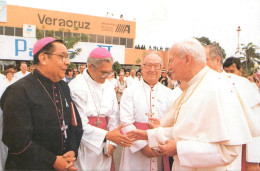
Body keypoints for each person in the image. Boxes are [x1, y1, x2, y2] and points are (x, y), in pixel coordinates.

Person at [127, 38, 260, 170]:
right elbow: (186, 131)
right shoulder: (193, 86)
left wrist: (179, 148)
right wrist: (150, 135)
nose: (169, 67)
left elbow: (228, 151)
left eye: (171, 61)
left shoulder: (218, 88)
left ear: (187, 59)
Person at [0, 37, 83, 170]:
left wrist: (72, 150)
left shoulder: (64, 87)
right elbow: (16, 139)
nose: (67, 63)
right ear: (43, 58)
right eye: (62, 57)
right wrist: (52, 160)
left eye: (68, 57)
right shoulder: (19, 90)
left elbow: (75, 124)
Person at [69, 47, 132, 171]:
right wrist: (107, 136)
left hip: (105, 146)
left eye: (109, 73)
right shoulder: (76, 86)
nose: (106, 76)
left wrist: (112, 143)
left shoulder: (108, 86)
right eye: (103, 72)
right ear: (90, 66)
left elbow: (114, 116)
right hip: (84, 146)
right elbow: (79, 124)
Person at [205, 44, 260, 170]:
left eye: (205, 60)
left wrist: (253, 161)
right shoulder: (198, 85)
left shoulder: (241, 83)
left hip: (234, 158)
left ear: (217, 59)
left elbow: (254, 126)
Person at [119, 52, 177, 171]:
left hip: (160, 146)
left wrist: (162, 144)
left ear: (161, 69)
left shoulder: (169, 94)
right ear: (142, 67)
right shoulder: (130, 92)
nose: (152, 69)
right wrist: (142, 146)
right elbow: (125, 122)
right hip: (135, 148)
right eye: (148, 65)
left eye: (156, 66)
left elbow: (172, 123)